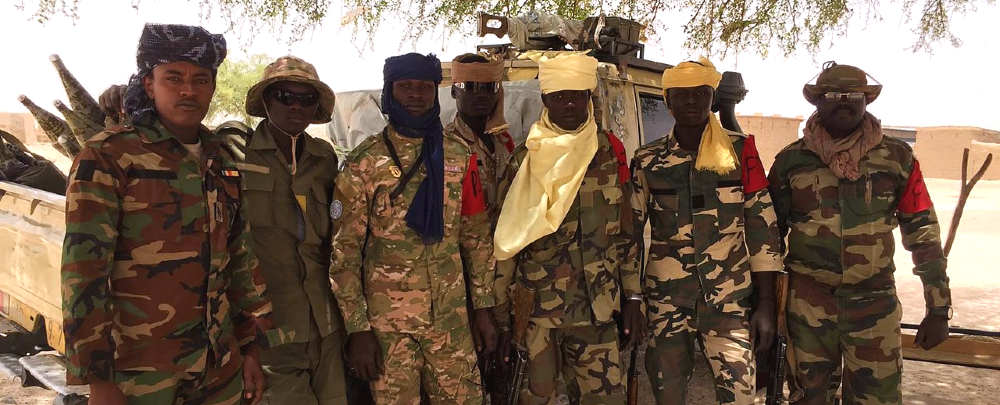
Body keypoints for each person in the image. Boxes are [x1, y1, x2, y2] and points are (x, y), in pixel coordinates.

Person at [61, 23, 274, 405]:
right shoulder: (109, 157)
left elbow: (241, 259)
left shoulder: (220, 159)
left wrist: (251, 349)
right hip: (140, 373)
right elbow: (83, 273)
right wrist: (98, 380)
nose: (188, 90)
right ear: (148, 84)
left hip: (218, 364)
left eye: (200, 79)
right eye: (173, 77)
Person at [767, 61, 951, 405]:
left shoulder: (897, 158)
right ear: (817, 101)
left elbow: (923, 232)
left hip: (874, 304)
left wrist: (938, 308)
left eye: (853, 94)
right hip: (808, 304)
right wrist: (763, 304)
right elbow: (768, 235)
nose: (844, 101)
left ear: (867, 100)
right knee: (807, 398)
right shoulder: (791, 161)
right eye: (833, 94)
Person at [328, 52, 497, 405]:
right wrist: (358, 330)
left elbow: (475, 238)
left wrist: (483, 308)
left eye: (424, 87)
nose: (415, 95)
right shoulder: (364, 164)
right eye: (405, 87)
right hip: (388, 329)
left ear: (436, 92)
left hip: (450, 322)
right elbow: (344, 255)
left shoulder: (458, 156)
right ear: (390, 92)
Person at [628, 57, 782, 405]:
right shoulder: (648, 159)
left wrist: (767, 303)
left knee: (741, 395)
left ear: (713, 97)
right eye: (682, 95)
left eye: (701, 93)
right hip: (666, 302)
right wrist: (633, 297)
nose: (692, 102)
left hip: (728, 301)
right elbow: (630, 234)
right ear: (668, 101)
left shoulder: (742, 151)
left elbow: (763, 229)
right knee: (668, 394)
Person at [492, 52, 643, 405]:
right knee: (536, 396)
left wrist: (633, 296)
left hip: (597, 308)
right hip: (538, 314)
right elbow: (505, 243)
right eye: (559, 96)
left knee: (606, 399)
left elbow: (626, 233)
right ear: (545, 100)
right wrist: (500, 314)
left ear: (589, 97)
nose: (570, 103)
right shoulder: (524, 160)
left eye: (578, 94)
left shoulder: (609, 152)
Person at [237, 56, 355, 405]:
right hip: (272, 325)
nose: (295, 106)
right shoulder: (234, 152)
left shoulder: (323, 158)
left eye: (306, 99)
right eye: (284, 96)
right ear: (266, 101)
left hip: (325, 322)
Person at [446, 52, 515, 399]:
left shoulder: (503, 142)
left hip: (503, 273)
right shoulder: (444, 147)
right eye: (470, 87)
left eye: (489, 87)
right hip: (462, 278)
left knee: (504, 368)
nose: (481, 94)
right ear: (454, 92)